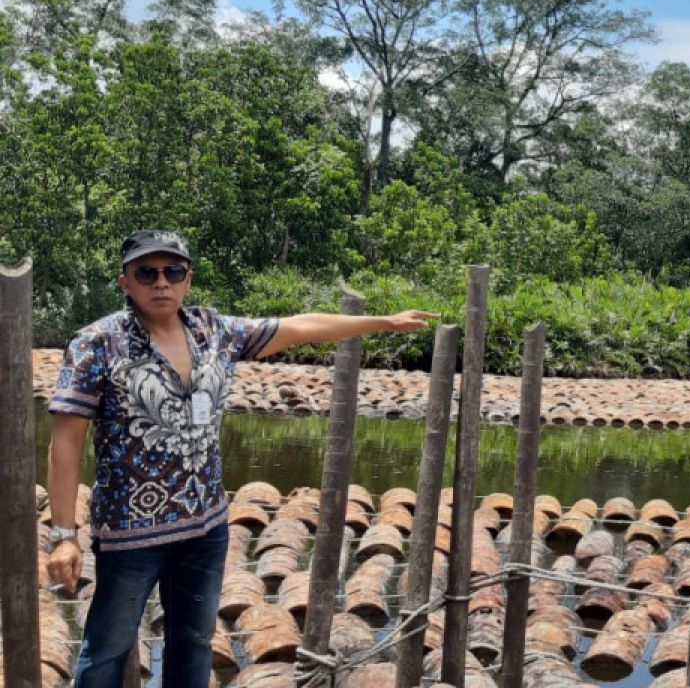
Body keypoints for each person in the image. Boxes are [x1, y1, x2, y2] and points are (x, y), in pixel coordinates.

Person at [46, 230, 438, 688]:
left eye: (173, 272)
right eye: (146, 273)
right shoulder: (97, 343)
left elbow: (296, 326)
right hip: (130, 536)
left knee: (193, 643)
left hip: (205, 528)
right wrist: (64, 535)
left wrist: (383, 322)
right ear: (125, 281)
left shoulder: (213, 331)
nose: (161, 283)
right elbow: (66, 442)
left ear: (187, 279)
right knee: (108, 649)